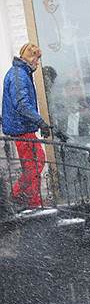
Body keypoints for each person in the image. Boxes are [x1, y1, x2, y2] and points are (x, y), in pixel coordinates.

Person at [2, 43, 52, 209]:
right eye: (37, 59)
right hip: (22, 128)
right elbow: (22, 104)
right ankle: (26, 200)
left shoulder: (19, 73)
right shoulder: (19, 75)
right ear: (31, 58)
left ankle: (23, 198)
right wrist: (40, 122)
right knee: (35, 164)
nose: (37, 64)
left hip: (22, 128)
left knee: (34, 164)